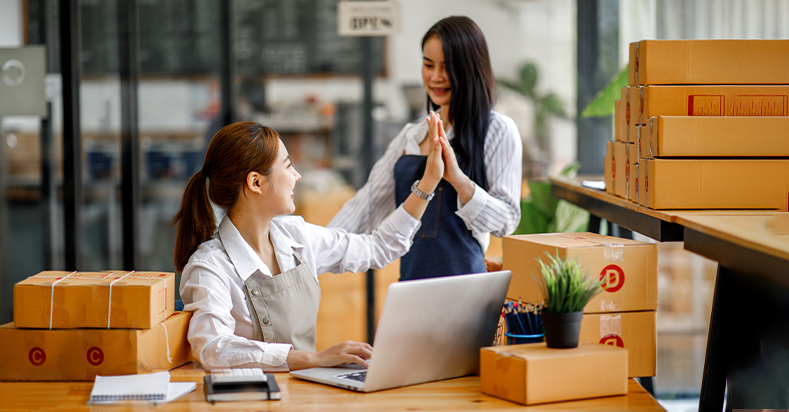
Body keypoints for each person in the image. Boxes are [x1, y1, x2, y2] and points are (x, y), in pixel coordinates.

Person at [173, 118, 445, 371]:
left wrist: (428, 182)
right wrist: (313, 358)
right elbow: (212, 348)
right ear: (255, 182)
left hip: (308, 395)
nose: (297, 176)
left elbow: (378, 248)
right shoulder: (209, 267)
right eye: (288, 165)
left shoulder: (297, 237)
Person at [329, 16, 522, 281]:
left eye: (447, 67)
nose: (436, 77)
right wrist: (312, 252)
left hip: (468, 290)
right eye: (428, 64)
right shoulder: (412, 135)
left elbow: (507, 221)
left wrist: (457, 178)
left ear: (471, 68)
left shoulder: (497, 130)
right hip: (410, 287)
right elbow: (365, 207)